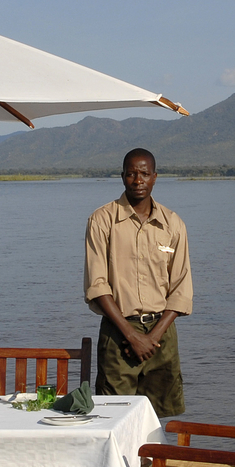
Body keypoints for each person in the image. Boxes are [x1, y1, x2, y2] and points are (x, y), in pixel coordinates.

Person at [83, 148, 192, 418]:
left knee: (157, 418)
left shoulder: (173, 224)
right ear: (122, 177)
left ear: (155, 177)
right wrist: (132, 336)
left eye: (144, 173)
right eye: (131, 174)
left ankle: (152, 452)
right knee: (112, 416)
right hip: (118, 333)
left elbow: (181, 289)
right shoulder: (102, 220)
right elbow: (97, 285)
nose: (138, 180)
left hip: (161, 334)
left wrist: (152, 338)